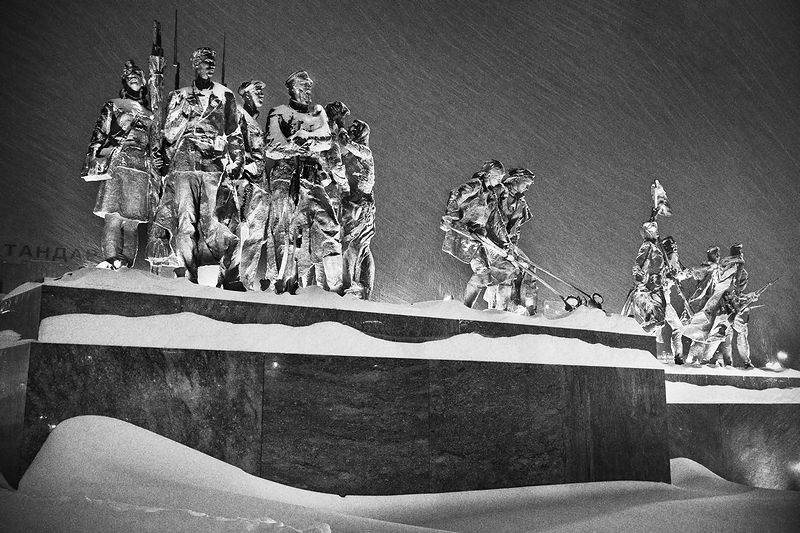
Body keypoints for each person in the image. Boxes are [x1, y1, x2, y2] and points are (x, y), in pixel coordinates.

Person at [149, 47, 244, 285]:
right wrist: (184, 113)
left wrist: (237, 163)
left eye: (212, 62)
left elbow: (234, 133)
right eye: (205, 61)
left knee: (217, 222)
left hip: (213, 165)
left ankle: (227, 274)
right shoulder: (178, 96)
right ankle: (188, 274)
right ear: (195, 64)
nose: (210, 65)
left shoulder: (225, 95)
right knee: (185, 222)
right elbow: (168, 133)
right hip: (184, 163)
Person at [82, 45, 165, 269]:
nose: (135, 80)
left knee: (132, 222)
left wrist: (158, 161)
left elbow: (157, 142)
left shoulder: (152, 113)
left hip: (141, 168)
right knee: (113, 216)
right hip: (119, 164)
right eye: (131, 77)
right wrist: (94, 159)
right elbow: (99, 134)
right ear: (125, 82)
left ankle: (127, 262)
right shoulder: (115, 106)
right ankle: (111, 257)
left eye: (138, 77)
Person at [263, 71, 342, 294]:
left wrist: (302, 140)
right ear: (291, 89)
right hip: (285, 178)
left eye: (309, 88)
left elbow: (326, 141)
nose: (308, 92)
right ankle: (283, 284)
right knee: (284, 231)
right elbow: (271, 146)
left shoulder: (317, 114)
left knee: (330, 224)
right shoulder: (279, 113)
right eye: (302, 87)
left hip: (311, 178)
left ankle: (336, 285)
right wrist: (299, 144)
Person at [441, 160, 516, 308]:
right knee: (483, 272)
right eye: (498, 177)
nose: (500, 181)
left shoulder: (492, 195)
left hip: (479, 235)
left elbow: (497, 221)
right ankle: (466, 308)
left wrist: (505, 242)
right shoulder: (476, 185)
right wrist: (451, 217)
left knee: (502, 269)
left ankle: (497, 306)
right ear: (488, 175)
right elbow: (455, 194)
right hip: (464, 233)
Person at [621, 222, 687, 363]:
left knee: (669, 325)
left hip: (661, 296)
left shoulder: (664, 257)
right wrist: (643, 282)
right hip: (653, 294)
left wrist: (677, 275)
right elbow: (639, 267)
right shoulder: (650, 248)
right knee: (657, 323)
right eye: (655, 231)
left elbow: (673, 274)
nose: (657, 233)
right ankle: (633, 340)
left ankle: (678, 357)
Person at [235, 79, 272, 291]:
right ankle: (231, 277)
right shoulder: (239, 115)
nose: (261, 94)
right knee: (241, 233)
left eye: (261, 90)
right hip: (245, 182)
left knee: (257, 237)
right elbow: (233, 144)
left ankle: (246, 281)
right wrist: (246, 166)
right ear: (246, 94)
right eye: (256, 90)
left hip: (260, 185)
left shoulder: (256, 121)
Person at [700, 244, 754, 368]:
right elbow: (733, 291)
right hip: (726, 305)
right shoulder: (734, 268)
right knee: (723, 332)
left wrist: (749, 297)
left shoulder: (726, 268)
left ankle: (729, 362)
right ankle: (741, 361)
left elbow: (736, 291)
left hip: (726, 305)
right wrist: (746, 298)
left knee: (725, 332)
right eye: (740, 252)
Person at [339, 119, 376, 299]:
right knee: (355, 247)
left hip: (360, 206)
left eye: (355, 130)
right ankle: (356, 284)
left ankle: (357, 286)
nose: (352, 132)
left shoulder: (365, 152)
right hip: (352, 204)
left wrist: (340, 126)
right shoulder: (349, 156)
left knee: (356, 247)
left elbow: (347, 144)